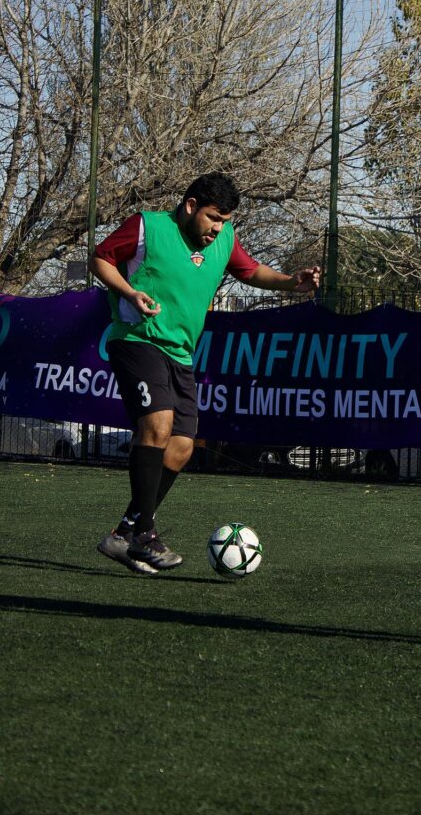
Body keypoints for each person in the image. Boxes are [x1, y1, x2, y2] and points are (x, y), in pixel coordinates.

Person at [90, 172, 320, 574]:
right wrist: (129, 292)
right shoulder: (148, 227)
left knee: (181, 448)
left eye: (225, 221)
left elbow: (250, 271)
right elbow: (100, 258)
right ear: (191, 205)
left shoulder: (224, 240)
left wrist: (290, 283)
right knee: (157, 425)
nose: (218, 228)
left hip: (181, 354)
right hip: (137, 339)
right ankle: (145, 535)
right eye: (213, 218)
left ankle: (123, 534)